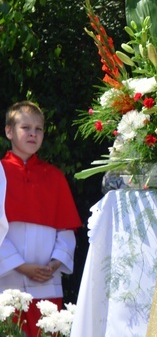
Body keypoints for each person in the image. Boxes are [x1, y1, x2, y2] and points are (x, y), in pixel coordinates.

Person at [0, 101, 82, 336]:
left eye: (39, 129)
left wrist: (55, 263)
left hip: (46, 285)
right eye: (26, 128)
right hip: (6, 280)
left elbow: (66, 230)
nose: (33, 134)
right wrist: (22, 266)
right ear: (9, 131)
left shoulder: (55, 177)